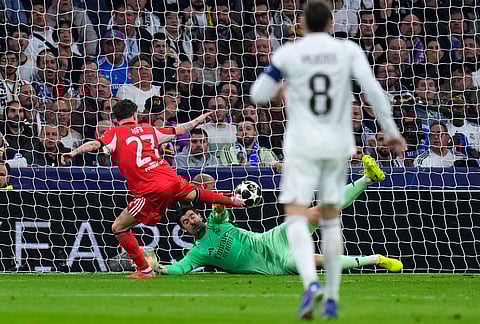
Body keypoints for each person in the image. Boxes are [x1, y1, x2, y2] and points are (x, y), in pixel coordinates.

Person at [250, 1, 406, 319]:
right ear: (331, 23)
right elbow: (373, 90)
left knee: (296, 217)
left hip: (302, 144)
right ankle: (332, 297)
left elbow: (257, 95)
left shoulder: (289, 54)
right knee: (331, 219)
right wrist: (390, 130)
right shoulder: (347, 50)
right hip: (337, 143)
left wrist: (281, 86)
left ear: (302, 25)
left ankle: (310, 283)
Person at [61, 99, 244, 280]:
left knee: (119, 227)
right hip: (170, 178)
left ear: (116, 119)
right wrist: (198, 120)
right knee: (195, 194)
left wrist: (74, 152)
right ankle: (234, 201)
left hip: (150, 189)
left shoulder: (114, 133)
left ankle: (144, 269)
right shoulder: (149, 129)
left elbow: (95, 145)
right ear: (135, 115)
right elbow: (182, 129)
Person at [155, 157, 402, 275]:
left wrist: (215, 197)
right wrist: (157, 268)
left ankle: (369, 177)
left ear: (199, 215)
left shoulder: (217, 221)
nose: (191, 221)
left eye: (191, 216)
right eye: (186, 222)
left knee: (321, 211)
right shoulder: (198, 252)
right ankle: (375, 259)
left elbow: (219, 208)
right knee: (307, 260)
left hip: (273, 239)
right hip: (274, 264)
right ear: (185, 231)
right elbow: (180, 268)